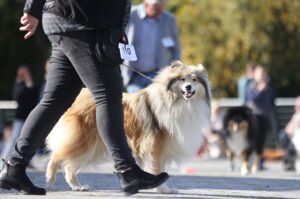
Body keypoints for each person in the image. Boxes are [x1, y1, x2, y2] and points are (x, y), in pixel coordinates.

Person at [0, 0, 168, 196]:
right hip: (80, 20)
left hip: (72, 20)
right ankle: (128, 171)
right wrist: (32, 8)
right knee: (109, 95)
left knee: (55, 100)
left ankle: (14, 167)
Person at [121, 0, 181, 93]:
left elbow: (176, 49)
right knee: (137, 104)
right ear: (145, 4)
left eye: (161, 8)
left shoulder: (169, 19)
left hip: (158, 75)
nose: (159, 12)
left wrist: (176, 70)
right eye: (156, 8)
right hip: (133, 74)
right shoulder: (131, 14)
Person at [1, 66, 38, 161]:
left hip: (29, 117)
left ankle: (25, 159)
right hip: (20, 117)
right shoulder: (19, 84)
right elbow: (18, 96)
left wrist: (30, 84)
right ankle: (4, 158)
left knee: (28, 139)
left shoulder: (31, 85)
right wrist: (27, 85)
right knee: (14, 138)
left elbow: (34, 98)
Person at [246, 64, 276, 169]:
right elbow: (252, 100)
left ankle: (260, 162)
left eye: (264, 74)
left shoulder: (269, 86)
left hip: (265, 116)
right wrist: (260, 91)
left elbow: (272, 99)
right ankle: (251, 161)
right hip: (255, 116)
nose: (262, 76)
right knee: (254, 140)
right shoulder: (252, 86)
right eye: (260, 73)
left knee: (263, 140)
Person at [279, 96, 300, 171]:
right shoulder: (295, 115)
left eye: (298, 106)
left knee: (291, 144)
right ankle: (289, 162)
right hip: (292, 136)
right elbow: (289, 127)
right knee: (283, 134)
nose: (296, 107)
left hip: (296, 137)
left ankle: (289, 162)